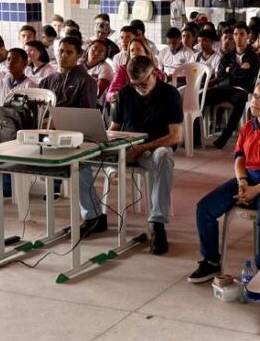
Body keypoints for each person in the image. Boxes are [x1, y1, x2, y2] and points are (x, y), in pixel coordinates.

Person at [189, 81, 260, 282]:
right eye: (255, 96)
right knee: (204, 208)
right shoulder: (248, 126)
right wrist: (242, 182)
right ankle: (211, 261)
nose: (255, 101)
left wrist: (255, 190)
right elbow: (240, 159)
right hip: (249, 179)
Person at [77, 56, 182, 252]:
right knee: (79, 159)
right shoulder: (125, 93)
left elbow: (175, 136)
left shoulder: (170, 94)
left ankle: (157, 224)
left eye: (143, 83)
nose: (139, 88)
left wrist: (141, 148)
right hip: (125, 147)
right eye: (135, 84)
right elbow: (114, 128)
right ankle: (93, 216)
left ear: (154, 74)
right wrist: (107, 142)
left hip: (151, 149)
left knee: (164, 157)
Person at [206, 23, 260, 149]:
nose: (238, 37)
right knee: (200, 97)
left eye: (242, 34)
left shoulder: (253, 57)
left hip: (241, 90)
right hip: (224, 88)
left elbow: (249, 76)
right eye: (236, 34)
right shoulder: (227, 56)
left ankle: (225, 135)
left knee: (241, 99)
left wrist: (230, 70)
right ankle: (196, 135)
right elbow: (220, 75)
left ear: (248, 36)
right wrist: (239, 69)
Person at [44, 35, 99, 108]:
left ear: (79, 55)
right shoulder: (46, 81)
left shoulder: (86, 82)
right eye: (61, 51)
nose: (64, 55)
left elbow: (87, 115)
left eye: (69, 52)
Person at [106, 36, 165, 102]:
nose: (134, 53)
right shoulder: (122, 69)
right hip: (128, 103)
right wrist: (113, 96)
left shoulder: (155, 71)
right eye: (132, 50)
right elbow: (111, 91)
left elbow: (161, 91)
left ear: (146, 52)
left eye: (138, 49)